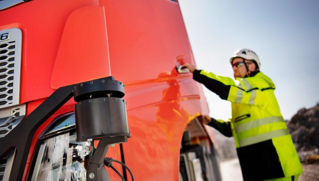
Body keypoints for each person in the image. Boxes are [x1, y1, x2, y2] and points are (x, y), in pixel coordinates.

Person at [183, 49, 303, 181]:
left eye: (238, 64)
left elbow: (227, 87)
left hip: (277, 162)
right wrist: (211, 121)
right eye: (232, 65)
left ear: (252, 66)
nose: (234, 68)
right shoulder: (245, 96)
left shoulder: (259, 84)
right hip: (258, 165)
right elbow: (232, 129)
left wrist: (197, 73)